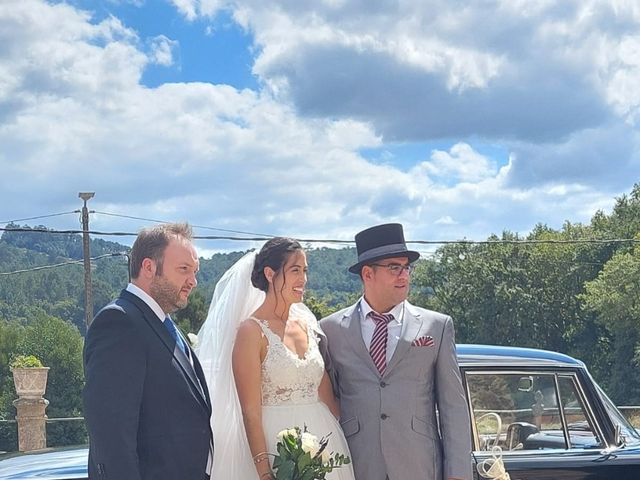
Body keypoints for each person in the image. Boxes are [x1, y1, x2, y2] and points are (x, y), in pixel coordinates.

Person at [320, 223, 473, 480]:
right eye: (394, 268)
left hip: (419, 464)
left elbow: (453, 406)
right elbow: (328, 399)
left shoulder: (437, 325)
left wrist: (457, 473)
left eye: (407, 267)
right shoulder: (330, 329)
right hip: (356, 463)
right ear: (367, 274)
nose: (404, 276)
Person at [196, 237, 354, 480]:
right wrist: (264, 472)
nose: (303, 280)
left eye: (304, 271)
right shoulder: (251, 330)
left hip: (323, 440)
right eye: (294, 271)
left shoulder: (307, 326)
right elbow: (250, 411)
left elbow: (326, 395)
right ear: (270, 274)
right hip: (275, 445)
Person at [83, 223, 213, 480]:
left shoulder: (163, 324)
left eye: (195, 271)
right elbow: (112, 438)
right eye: (184, 269)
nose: (193, 281)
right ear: (148, 267)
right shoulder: (119, 323)